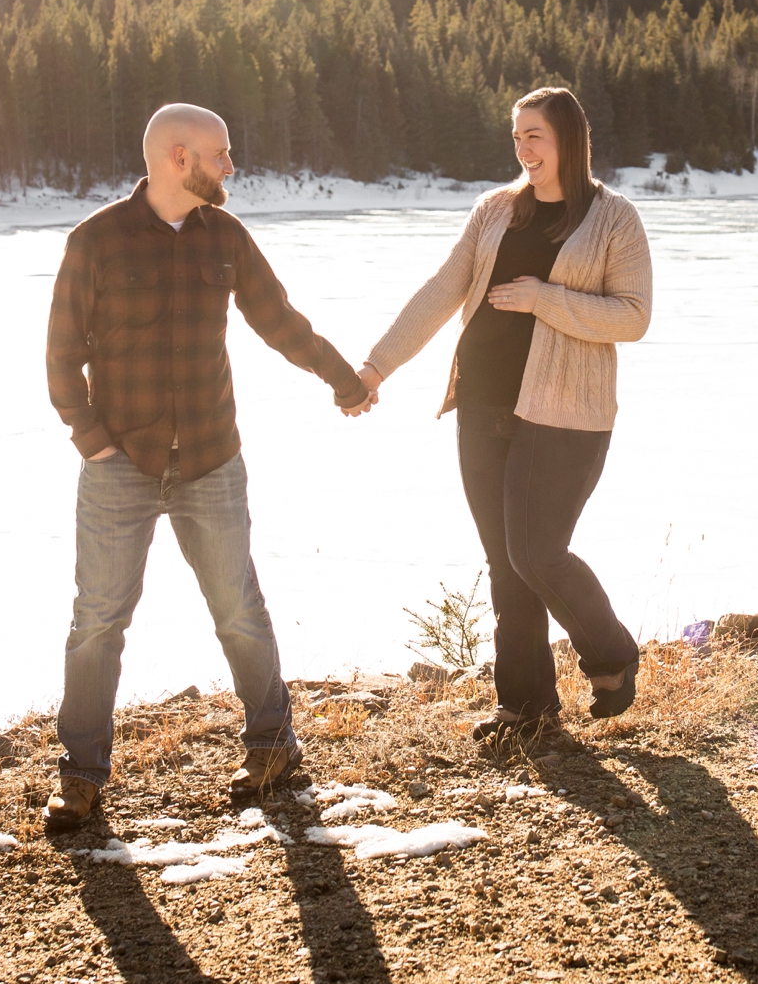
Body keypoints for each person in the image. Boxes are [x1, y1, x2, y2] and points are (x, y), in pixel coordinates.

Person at [41, 102, 375, 833]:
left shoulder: (225, 237)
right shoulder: (93, 241)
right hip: (118, 464)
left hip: (210, 461)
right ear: (179, 157)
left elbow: (280, 321)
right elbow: (62, 356)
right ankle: (80, 776)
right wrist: (91, 439)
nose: (232, 167)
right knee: (97, 620)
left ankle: (272, 745)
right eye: (222, 154)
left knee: (238, 608)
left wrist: (345, 379)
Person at [355, 86, 652, 741]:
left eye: (534, 136)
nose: (522, 149)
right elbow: (441, 291)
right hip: (482, 402)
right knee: (504, 560)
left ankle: (610, 652)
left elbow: (633, 316)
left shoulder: (613, 219)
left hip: (565, 414)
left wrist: (546, 298)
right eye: (515, 137)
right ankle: (525, 708)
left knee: (536, 552)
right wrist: (377, 366)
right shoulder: (495, 211)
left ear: (568, 140)